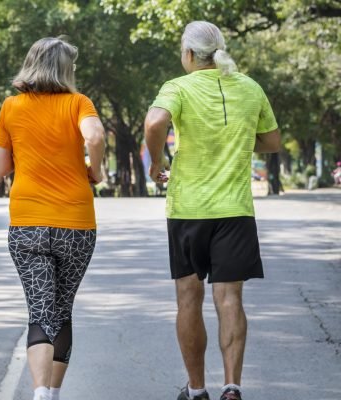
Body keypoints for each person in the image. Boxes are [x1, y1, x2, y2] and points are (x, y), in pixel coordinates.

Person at [144, 21, 281, 400]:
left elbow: (155, 121)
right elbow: (271, 141)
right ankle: (232, 387)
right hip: (235, 211)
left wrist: (155, 163)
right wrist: (234, 137)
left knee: (189, 297)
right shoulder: (250, 87)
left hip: (188, 209)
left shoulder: (178, 87)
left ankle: (197, 390)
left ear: (188, 54)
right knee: (230, 299)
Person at [0, 36, 105, 400]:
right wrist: (95, 170)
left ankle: (39, 393)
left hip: (27, 225)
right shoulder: (78, 103)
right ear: (64, 69)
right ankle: (53, 393)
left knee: (41, 309)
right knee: (62, 307)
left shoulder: (11, 107)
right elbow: (96, 135)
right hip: (76, 223)